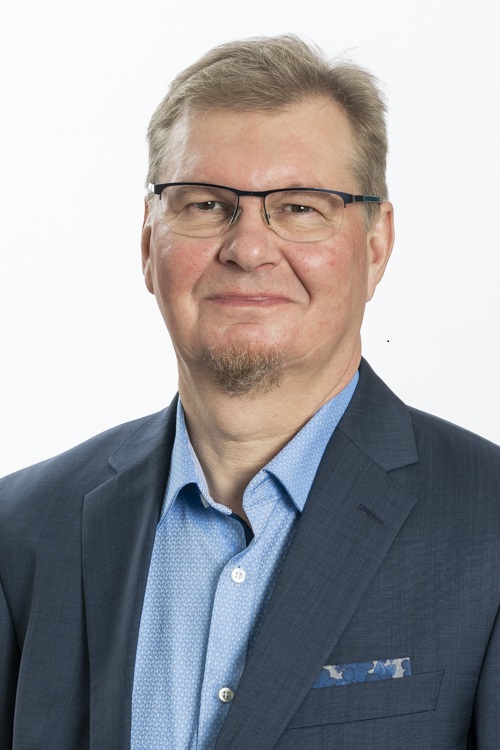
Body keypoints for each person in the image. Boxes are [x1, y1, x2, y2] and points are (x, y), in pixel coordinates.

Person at [1, 33, 499, 750]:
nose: (249, 248)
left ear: (375, 245)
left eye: (299, 208)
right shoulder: (22, 533)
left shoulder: (488, 527)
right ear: (148, 242)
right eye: (206, 204)